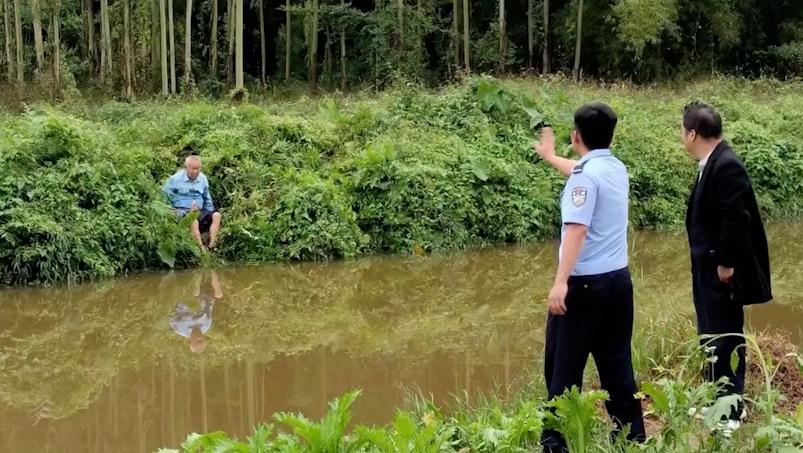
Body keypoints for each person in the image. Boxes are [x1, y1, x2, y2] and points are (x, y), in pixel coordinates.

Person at [534, 103, 645, 452]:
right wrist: (551, 158)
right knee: (616, 364)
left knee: (562, 367)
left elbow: (577, 230)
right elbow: (580, 170)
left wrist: (559, 282)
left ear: (575, 136)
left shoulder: (585, 177)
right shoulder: (615, 169)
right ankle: (630, 438)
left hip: (583, 287)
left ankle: (554, 443)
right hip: (618, 284)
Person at [682, 101, 772, 434]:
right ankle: (714, 399)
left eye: (683, 130)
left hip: (721, 271)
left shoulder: (726, 165)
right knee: (709, 335)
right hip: (705, 267)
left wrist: (725, 263)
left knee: (727, 338)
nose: (682, 136)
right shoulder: (712, 162)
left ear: (692, 133)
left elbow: (737, 220)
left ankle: (731, 411)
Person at [163, 155, 222, 251]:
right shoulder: (174, 180)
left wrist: (210, 212)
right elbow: (165, 197)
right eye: (193, 168)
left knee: (216, 215)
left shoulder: (203, 178)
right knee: (193, 219)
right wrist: (169, 212)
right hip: (182, 211)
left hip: (200, 210)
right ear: (186, 167)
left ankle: (211, 245)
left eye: (197, 168)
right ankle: (201, 248)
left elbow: (207, 198)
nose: (195, 171)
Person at [169, 270, 224, 353]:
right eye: (202, 340)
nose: (200, 338)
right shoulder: (206, 325)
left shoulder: (178, 328)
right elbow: (209, 307)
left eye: (197, 341)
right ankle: (211, 269)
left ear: (190, 342)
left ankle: (199, 270)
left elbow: (169, 310)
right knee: (219, 295)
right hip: (202, 300)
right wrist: (211, 297)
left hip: (185, 298)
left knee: (195, 293)